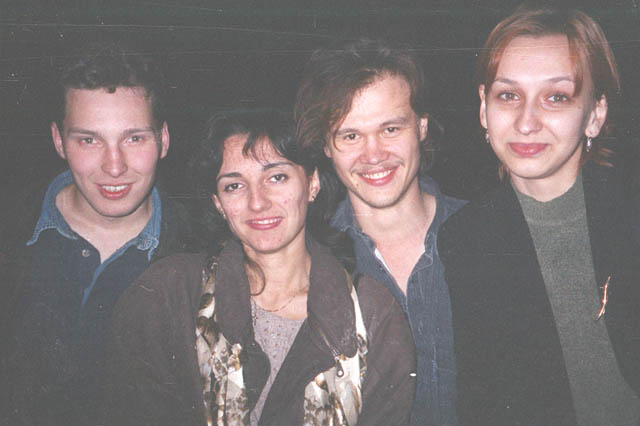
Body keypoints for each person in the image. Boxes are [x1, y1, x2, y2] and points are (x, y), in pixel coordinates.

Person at [105, 109, 416, 426]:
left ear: (312, 183)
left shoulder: (373, 316)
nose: (257, 202)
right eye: (234, 186)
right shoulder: (168, 295)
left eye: (276, 177)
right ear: (218, 203)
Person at [438, 5, 640, 425]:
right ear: (483, 108)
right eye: (508, 95)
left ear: (595, 114)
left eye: (556, 97)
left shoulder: (630, 212)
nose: (526, 122)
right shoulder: (467, 239)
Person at [1, 43, 201, 425]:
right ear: (59, 141)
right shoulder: (10, 230)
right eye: (89, 140)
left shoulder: (202, 255)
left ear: (164, 140)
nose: (114, 166)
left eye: (134, 138)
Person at [295, 39, 465, 425]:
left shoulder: (487, 234)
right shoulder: (310, 262)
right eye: (350, 136)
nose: (373, 155)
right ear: (326, 146)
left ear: (421, 127)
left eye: (390, 128)